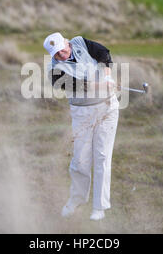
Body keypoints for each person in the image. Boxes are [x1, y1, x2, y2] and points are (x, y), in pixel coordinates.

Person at [43, 32, 119, 221]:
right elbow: (81, 85)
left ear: (67, 42)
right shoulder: (54, 71)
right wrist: (103, 85)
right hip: (82, 112)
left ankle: (99, 207)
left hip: (108, 109)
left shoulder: (79, 42)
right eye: (56, 54)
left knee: (102, 156)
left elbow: (103, 54)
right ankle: (77, 199)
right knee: (80, 160)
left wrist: (108, 77)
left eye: (62, 50)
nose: (61, 55)